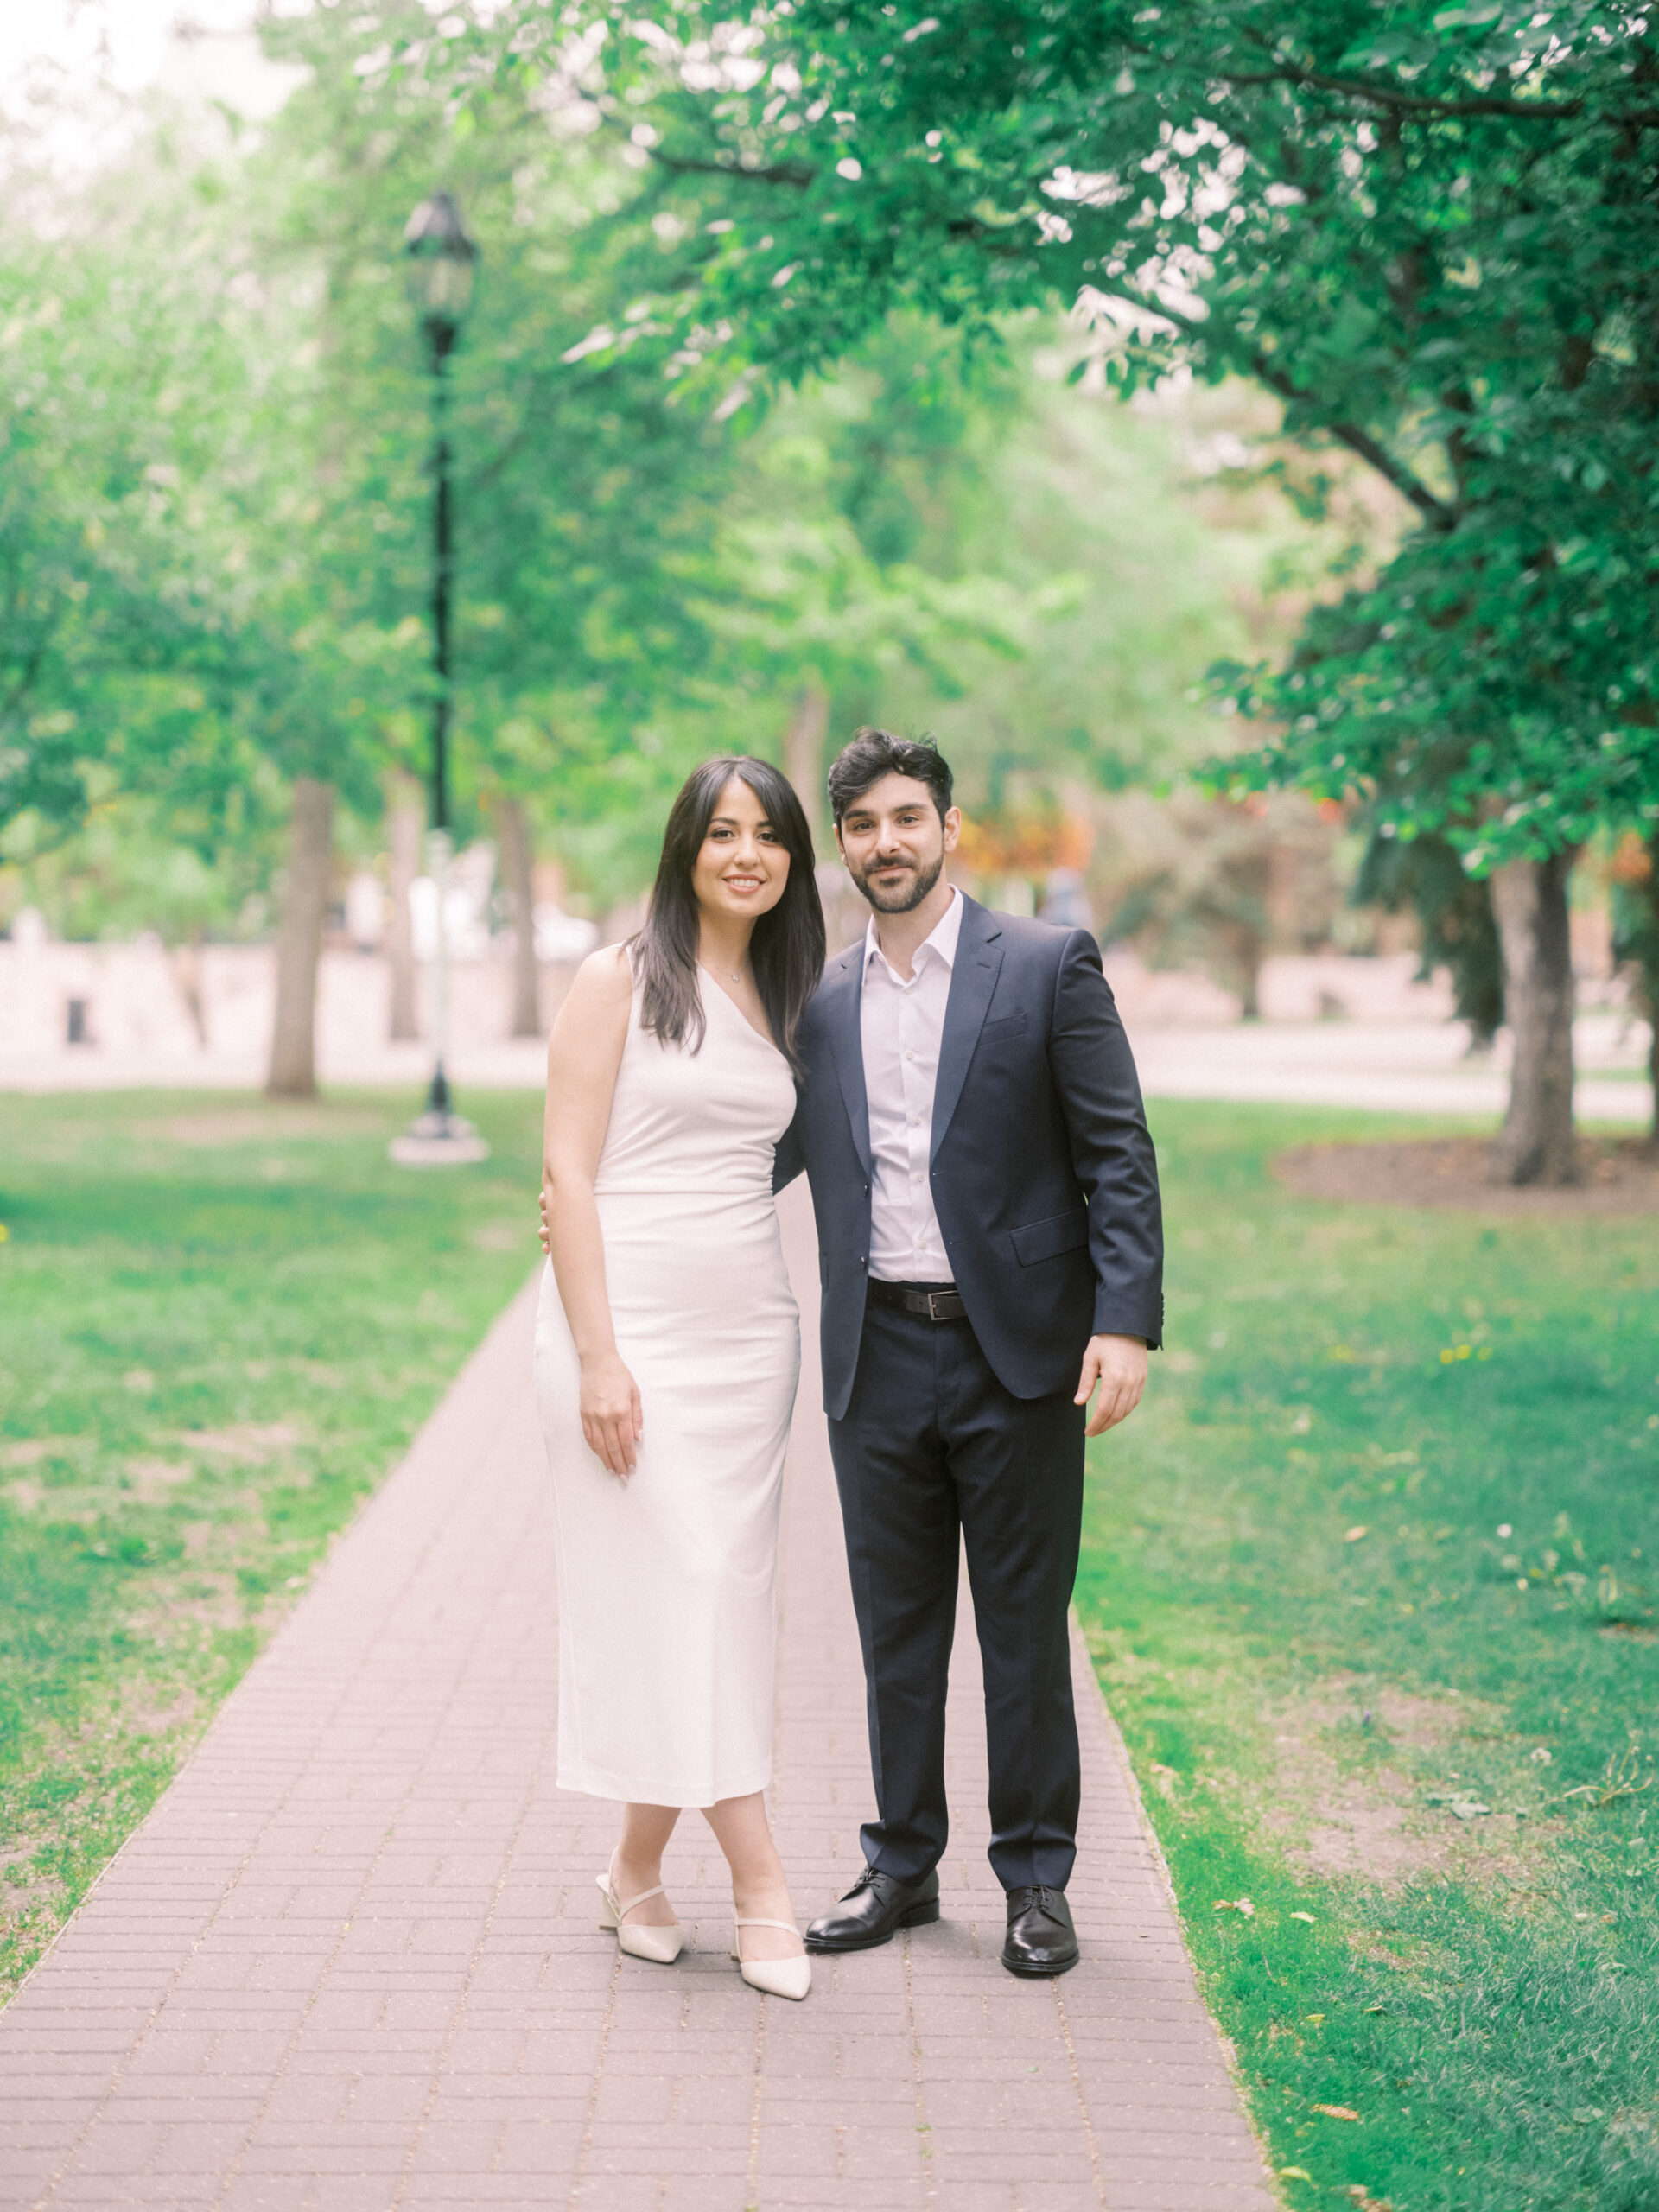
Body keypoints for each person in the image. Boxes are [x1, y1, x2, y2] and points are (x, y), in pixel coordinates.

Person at [774, 729, 1163, 1978]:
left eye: (905, 818)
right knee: (894, 1630)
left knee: (1022, 1630)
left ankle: (1037, 1881)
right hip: (872, 1356)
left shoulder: (1047, 966)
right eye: (861, 825)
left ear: (949, 827)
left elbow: (1118, 1154)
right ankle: (900, 1866)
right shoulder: (820, 1003)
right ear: (841, 847)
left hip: (1020, 1357)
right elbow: (749, 1151)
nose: (885, 843)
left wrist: (1125, 1320)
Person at [534, 755, 826, 2001]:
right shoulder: (620, 978)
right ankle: (765, 1888)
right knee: (692, 1585)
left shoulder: (790, 991)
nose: (746, 854)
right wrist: (599, 1356)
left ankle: (633, 1871)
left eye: (768, 836)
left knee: (706, 1600)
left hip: (749, 1340)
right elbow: (568, 1173)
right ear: (685, 850)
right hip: (626, 1335)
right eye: (723, 834)